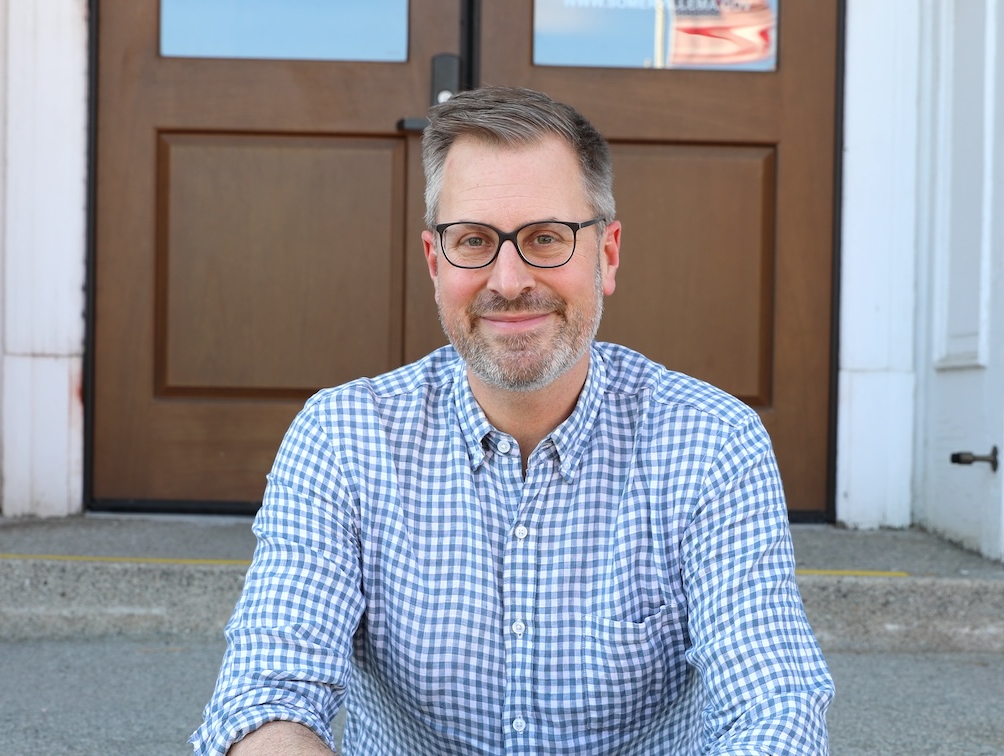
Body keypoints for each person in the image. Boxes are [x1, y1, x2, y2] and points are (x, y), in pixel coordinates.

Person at [190, 86, 833, 755]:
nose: (508, 280)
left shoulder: (712, 444)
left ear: (607, 254)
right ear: (434, 262)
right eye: (473, 241)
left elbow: (772, 704)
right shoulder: (343, 438)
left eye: (545, 238)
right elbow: (266, 695)